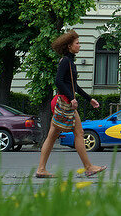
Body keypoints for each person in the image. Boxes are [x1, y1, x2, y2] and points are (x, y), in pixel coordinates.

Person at [36, 31, 106, 179]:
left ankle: (41, 169)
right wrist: (71, 98)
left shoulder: (69, 61)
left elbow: (74, 85)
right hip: (65, 103)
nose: (79, 45)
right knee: (79, 133)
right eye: (77, 43)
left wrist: (89, 99)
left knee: (52, 136)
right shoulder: (66, 61)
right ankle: (88, 167)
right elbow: (58, 81)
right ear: (69, 46)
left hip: (63, 102)